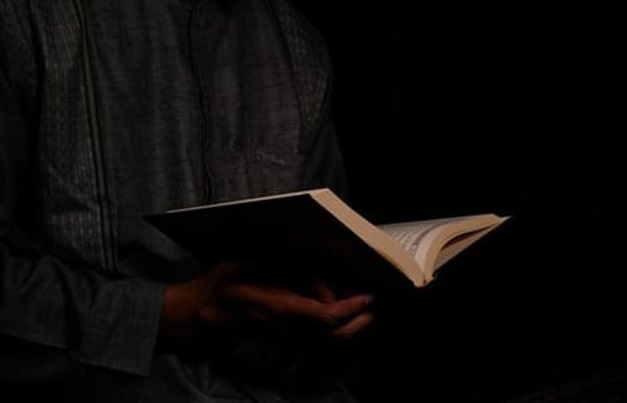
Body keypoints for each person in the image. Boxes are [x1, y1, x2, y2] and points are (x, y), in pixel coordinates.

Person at [0, 0, 375, 401]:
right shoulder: (26, 20)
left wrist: (335, 305)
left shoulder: (294, 41)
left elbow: (330, 267)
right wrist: (174, 312)